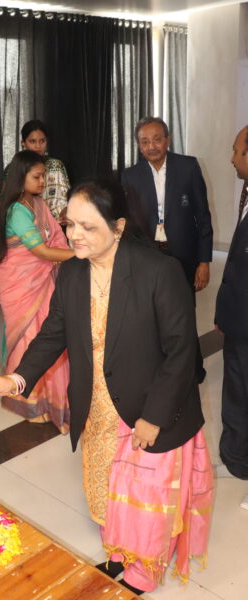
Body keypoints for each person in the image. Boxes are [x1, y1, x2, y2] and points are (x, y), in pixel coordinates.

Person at [0, 178, 213, 595]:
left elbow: (182, 354)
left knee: (145, 496)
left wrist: (153, 417)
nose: (74, 235)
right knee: (106, 487)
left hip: (148, 406)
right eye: (69, 224)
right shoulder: (73, 272)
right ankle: (118, 551)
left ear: (119, 226)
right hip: (97, 405)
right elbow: (53, 333)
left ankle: (143, 570)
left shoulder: (158, 272)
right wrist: (15, 378)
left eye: (88, 226)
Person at [121, 116, 213, 382]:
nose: (151, 146)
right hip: (148, 256)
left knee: (184, 313)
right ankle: (160, 369)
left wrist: (204, 261)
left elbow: (203, 217)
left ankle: (193, 370)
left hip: (182, 254)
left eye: (156, 139)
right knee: (151, 315)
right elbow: (128, 223)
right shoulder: (130, 176)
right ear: (139, 146)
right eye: (145, 142)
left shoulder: (188, 167)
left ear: (168, 140)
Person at [0, 150, 73, 432]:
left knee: (49, 339)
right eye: (37, 177)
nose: (42, 182)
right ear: (21, 177)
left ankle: (52, 403)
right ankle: (27, 404)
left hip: (43, 280)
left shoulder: (38, 204)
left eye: (44, 176)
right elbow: (41, 251)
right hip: (20, 284)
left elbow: (56, 238)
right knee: (28, 341)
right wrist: (82, 255)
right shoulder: (17, 210)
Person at [215, 125, 248, 508]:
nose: (232, 158)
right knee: (237, 392)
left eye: (237, 151)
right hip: (239, 320)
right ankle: (237, 460)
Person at [19, 120, 70, 221]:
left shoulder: (56, 165)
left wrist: (66, 212)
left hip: (57, 224)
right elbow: (5, 203)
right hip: (26, 223)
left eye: (42, 141)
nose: (38, 146)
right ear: (23, 143)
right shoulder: (15, 168)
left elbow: (66, 198)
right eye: (32, 141)